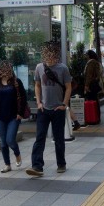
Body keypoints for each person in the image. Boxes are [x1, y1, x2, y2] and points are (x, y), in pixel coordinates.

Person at [26, 41, 72, 177]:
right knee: (40, 137)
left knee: (59, 138)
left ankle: (61, 163)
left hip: (58, 109)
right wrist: (38, 103)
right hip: (43, 109)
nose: (49, 57)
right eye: (47, 54)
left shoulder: (63, 68)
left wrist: (64, 104)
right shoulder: (40, 67)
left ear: (56, 55)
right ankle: (37, 166)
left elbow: (69, 87)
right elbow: (37, 85)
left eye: (52, 54)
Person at [0, 61, 27, 173]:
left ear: (10, 70)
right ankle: (7, 164)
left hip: (14, 116)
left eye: (6, 70)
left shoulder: (16, 82)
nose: (4, 72)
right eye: (2, 70)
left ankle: (17, 153)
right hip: (1, 117)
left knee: (10, 140)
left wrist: (20, 113)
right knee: (3, 142)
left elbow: (23, 98)